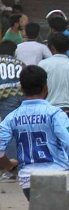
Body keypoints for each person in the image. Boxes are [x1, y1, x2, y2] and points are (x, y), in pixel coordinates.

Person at [0, 65, 69, 200]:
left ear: (21, 89)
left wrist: (9, 165)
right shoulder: (57, 114)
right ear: (46, 87)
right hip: (57, 179)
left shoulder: (11, 118)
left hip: (29, 183)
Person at [0, 40, 25, 182]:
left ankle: (12, 169)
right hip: (21, 98)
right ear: (14, 51)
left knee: (8, 133)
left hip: (5, 101)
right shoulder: (20, 63)